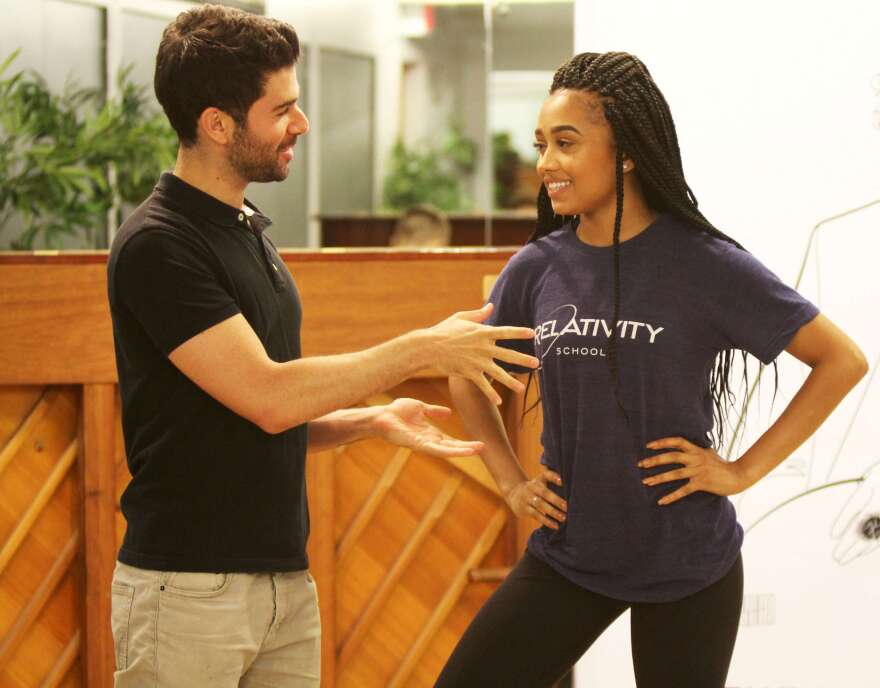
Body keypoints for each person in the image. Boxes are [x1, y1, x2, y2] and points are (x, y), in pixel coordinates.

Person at [105, 5, 538, 686]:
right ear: (217, 125)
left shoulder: (244, 227)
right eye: (283, 110)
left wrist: (370, 421)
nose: (301, 124)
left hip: (282, 582)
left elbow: (243, 420)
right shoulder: (160, 245)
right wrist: (422, 348)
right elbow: (269, 398)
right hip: (187, 591)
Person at [435, 51, 868, 688]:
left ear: (629, 153)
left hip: (687, 561)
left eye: (566, 143)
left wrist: (742, 470)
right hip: (570, 553)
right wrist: (508, 480)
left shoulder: (706, 264)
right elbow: (463, 371)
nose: (546, 163)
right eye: (541, 145)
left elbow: (842, 360)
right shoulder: (538, 267)